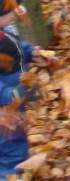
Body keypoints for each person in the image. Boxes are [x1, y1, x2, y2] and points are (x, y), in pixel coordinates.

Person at [0, 31, 37, 178]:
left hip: (16, 103)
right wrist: (13, 94)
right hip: (5, 113)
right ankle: (9, 176)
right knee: (11, 148)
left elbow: (17, 47)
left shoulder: (5, 35)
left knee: (19, 143)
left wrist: (31, 52)